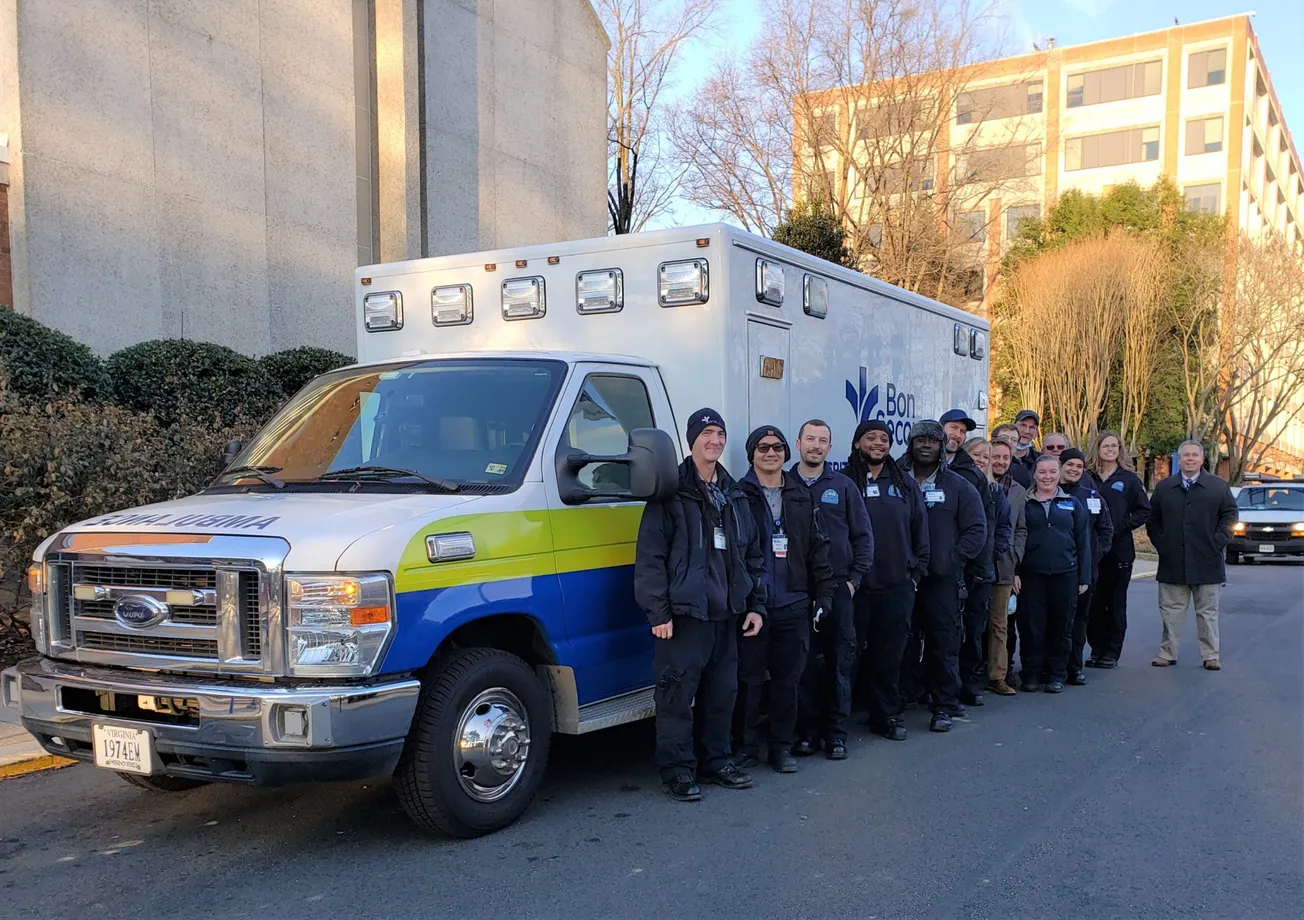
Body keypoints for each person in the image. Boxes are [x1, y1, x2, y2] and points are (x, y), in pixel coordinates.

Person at [634, 408, 766, 801]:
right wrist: (658, 613)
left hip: (726, 614)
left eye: (720, 434)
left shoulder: (735, 494)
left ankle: (717, 760)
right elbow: (650, 557)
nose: (715, 440)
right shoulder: (670, 492)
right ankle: (677, 771)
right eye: (706, 433)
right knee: (676, 696)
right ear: (692, 440)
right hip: (684, 615)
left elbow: (752, 554)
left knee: (722, 693)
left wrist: (755, 604)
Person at [736, 425, 835, 773]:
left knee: (787, 683)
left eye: (777, 447)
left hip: (794, 603)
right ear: (752, 454)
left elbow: (819, 549)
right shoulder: (738, 495)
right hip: (753, 607)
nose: (771, 453)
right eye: (762, 447)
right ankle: (746, 749)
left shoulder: (800, 495)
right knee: (748, 683)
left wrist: (824, 594)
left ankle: (781, 747)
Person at [843, 419, 930, 741]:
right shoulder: (844, 482)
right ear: (856, 443)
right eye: (870, 437)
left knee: (889, 655)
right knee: (846, 655)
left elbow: (921, 532)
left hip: (897, 586)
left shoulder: (905, 485)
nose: (878, 443)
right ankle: (837, 722)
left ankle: (886, 715)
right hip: (856, 588)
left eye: (884, 438)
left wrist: (915, 575)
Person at [792, 419, 874, 760]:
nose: (815, 445)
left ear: (829, 447)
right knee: (804, 666)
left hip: (839, 587)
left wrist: (854, 581)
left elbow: (863, 537)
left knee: (840, 662)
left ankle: (836, 734)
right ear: (798, 444)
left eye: (822, 440)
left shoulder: (843, 487)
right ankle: (806, 733)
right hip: (798, 590)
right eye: (809, 439)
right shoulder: (784, 485)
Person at [899, 420, 986, 732]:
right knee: (901, 642)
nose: (926, 445)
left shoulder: (959, 486)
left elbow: (977, 530)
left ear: (941, 447)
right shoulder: (895, 480)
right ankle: (901, 699)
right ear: (910, 444)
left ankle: (944, 705)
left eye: (932, 441)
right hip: (902, 579)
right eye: (920, 440)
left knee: (943, 644)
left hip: (941, 579)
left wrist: (952, 560)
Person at [1145, 440, 1238, 671]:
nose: (1190, 459)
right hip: (1172, 560)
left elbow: (1230, 517)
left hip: (1207, 560)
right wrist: (1163, 544)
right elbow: (1153, 520)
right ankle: (1167, 652)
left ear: (1202, 459)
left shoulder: (1218, 487)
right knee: (1170, 612)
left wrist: (1217, 542)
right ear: (1179, 458)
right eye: (1185, 455)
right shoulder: (1165, 487)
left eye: (1194, 455)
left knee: (1207, 613)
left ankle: (1210, 655)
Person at [1015, 453, 1091, 693]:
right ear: (1034, 475)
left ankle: (1057, 674)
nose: (1047, 477)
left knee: (1061, 626)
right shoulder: (1024, 504)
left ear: (1059, 475)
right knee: (1031, 626)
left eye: (1052, 472)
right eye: (1042, 472)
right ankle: (1031, 673)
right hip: (1031, 575)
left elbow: (1083, 542)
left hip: (1065, 574)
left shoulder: (1072, 504)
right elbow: (1014, 538)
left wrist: (1084, 577)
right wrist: (1014, 572)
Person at [953, 435, 1012, 707]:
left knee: (974, 631)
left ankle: (969, 683)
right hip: (953, 570)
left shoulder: (995, 491)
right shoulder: (953, 484)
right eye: (977, 454)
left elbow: (1004, 528)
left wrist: (993, 552)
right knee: (948, 632)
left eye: (986, 457)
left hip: (982, 571)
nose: (982, 460)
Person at [1084, 431, 1151, 669]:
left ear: (1120, 449)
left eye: (1114, 446)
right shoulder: (1087, 476)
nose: (1110, 449)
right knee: (1092, 602)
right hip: (1092, 549)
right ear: (1097, 448)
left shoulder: (1129, 479)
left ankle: (1112, 651)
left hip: (1118, 549)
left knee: (1114, 602)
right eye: (1105, 445)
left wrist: (1119, 528)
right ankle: (1096, 649)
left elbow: (1144, 511)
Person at [1059, 447, 1114, 685]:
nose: (1073, 470)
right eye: (1069, 464)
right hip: (1053, 569)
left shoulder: (1091, 496)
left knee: (1079, 621)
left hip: (1083, 571)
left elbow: (1106, 529)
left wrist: (1094, 554)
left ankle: (1074, 667)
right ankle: (1050, 667)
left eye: (1078, 466)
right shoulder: (1049, 490)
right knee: (1053, 620)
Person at [988, 439, 1027, 695]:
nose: (1000, 461)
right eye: (996, 456)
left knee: (999, 624)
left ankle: (997, 676)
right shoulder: (976, 485)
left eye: (1005, 457)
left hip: (1004, 566)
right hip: (976, 564)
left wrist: (1015, 557)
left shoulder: (1018, 490)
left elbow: (1021, 528)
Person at [992, 424, 1032, 488]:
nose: (1009, 442)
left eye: (1014, 440)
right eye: (1004, 438)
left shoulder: (1024, 474)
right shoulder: (981, 466)